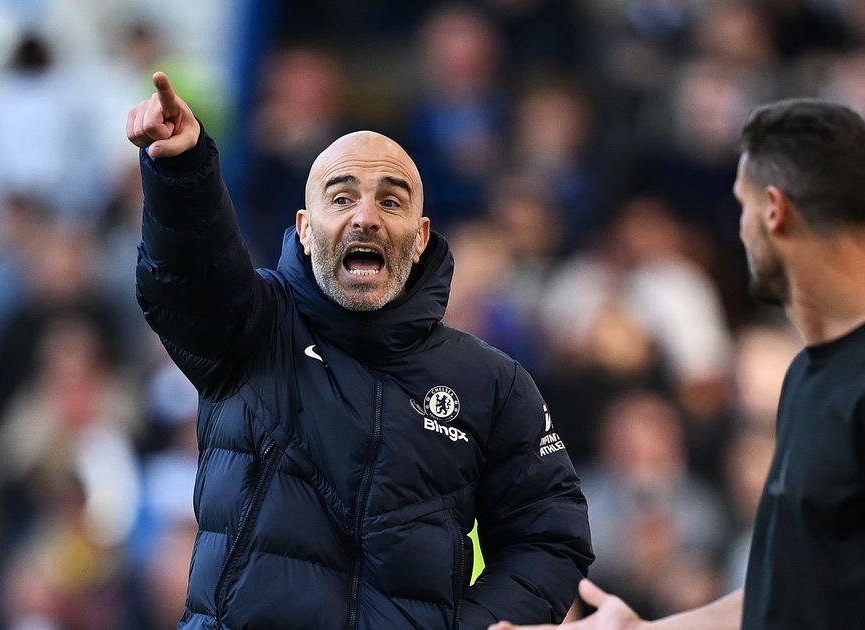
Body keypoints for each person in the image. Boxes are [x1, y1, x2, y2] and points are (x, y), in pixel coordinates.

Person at [495, 99, 865, 629]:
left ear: (775, 210)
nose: (739, 231)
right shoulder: (811, 380)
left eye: (741, 207)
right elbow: (782, 597)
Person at [126, 72, 593, 628]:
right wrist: (182, 170)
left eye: (390, 202)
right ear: (303, 228)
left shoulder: (492, 383)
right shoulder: (249, 327)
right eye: (341, 196)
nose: (365, 216)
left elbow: (549, 537)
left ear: (420, 238)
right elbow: (187, 281)